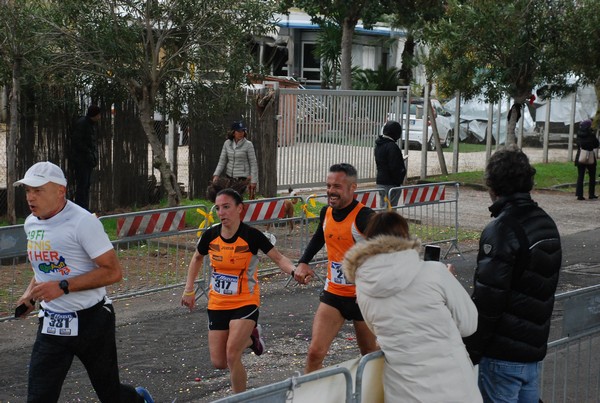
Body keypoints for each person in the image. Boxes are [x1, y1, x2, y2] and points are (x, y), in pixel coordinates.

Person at [13, 161, 153, 403]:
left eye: (38, 190)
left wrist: (63, 286)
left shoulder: (82, 222)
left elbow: (113, 272)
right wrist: (30, 295)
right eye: (27, 190)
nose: (30, 197)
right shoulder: (31, 223)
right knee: (38, 397)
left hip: (92, 321)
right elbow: (46, 267)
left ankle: (138, 400)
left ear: (60, 191)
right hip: (52, 323)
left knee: (110, 395)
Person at [343, 211, 481, 402]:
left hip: (404, 391)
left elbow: (377, 328)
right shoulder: (435, 272)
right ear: (405, 237)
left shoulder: (364, 288)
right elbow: (469, 324)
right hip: (454, 387)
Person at [181, 188, 305, 393]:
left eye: (227, 207)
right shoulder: (210, 235)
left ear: (240, 209)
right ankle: (252, 338)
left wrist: (294, 272)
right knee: (219, 361)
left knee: (232, 354)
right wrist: (188, 290)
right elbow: (196, 258)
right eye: (218, 208)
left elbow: (279, 258)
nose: (222, 213)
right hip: (218, 303)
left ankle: (240, 398)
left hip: (245, 302)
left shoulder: (252, 236)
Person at [463, 146, 562, 402]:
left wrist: (471, 351)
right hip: (532, 351)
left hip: (502, 356)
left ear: (492, 185)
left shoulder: (502, 229)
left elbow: (489, 300)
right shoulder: (545, 222)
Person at [293, 163, 379, 373]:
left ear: (352, 188)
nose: (331, 191)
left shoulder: (365, 217)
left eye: (337, 186)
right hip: (334, 294)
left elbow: (387, 252)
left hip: (363, 299)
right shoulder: (327, 212)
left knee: (370, 356)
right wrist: (304, 261)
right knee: (315, 352)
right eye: (328, 185)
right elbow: (320, 236)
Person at [209, 121, 259, 202]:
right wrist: (216, 175)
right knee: (230, 199)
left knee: (236, 199)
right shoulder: (227, 144)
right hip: (229, 177)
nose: (241, 133)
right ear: (233, 132)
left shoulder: (248, 145)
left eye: (243, 131)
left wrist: (254, 181)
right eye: (239, 131)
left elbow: (253, 164)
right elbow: (222, 161)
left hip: (242, 179)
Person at [70, 105, 101, 210]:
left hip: (87, 160)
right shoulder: (82, 124)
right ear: (95, 115)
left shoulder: (90, 124)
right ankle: (80, 208)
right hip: (81, 160)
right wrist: (88, 153)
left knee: (86, 185)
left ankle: (84, 208)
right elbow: (77, 142)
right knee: (82, 186)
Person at [375, 120, 406, 207]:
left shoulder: (379, 145)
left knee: (384, 207)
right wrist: (399, 179)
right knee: (390, 209)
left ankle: (382, 220)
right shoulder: (392, 146)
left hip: (381, 181)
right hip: (391, 183)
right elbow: (394, 166)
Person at [574, 118, 599, 200]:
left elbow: (577, 144)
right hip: (590, 155)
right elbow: (596, 144)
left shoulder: (579, 134)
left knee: (580, 176)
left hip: (580, 156)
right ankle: (591, 194)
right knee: (592, 176)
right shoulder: (591, 134)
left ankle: (579, 195)